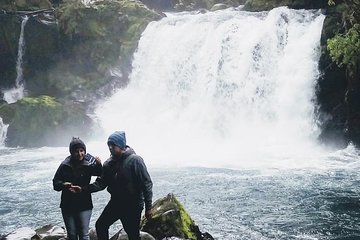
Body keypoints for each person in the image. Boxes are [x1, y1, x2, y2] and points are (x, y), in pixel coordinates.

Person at [73, 131, 153, 240]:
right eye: (109, 145)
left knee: (133, 234)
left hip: (133, 204)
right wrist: (82, 189)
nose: (110, 147)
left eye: (113, 145)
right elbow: (100, 183)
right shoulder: (108, 164)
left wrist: (149, 207)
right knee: (101, 225)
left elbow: (147, 183)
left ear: (121, 145)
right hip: (116, 203)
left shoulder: (135, 160)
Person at [53, 137, 102, 240]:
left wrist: (99, 164)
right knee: (72, 234)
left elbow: (100, 174)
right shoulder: (64, 165)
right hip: (67, 204)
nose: (80, 154)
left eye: (82, 151)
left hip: (84, 203)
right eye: (76, 151)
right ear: (71, 152)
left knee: (84, 234)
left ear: (85, 151)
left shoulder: (88, 164)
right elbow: (55, 184)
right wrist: (63, 185)